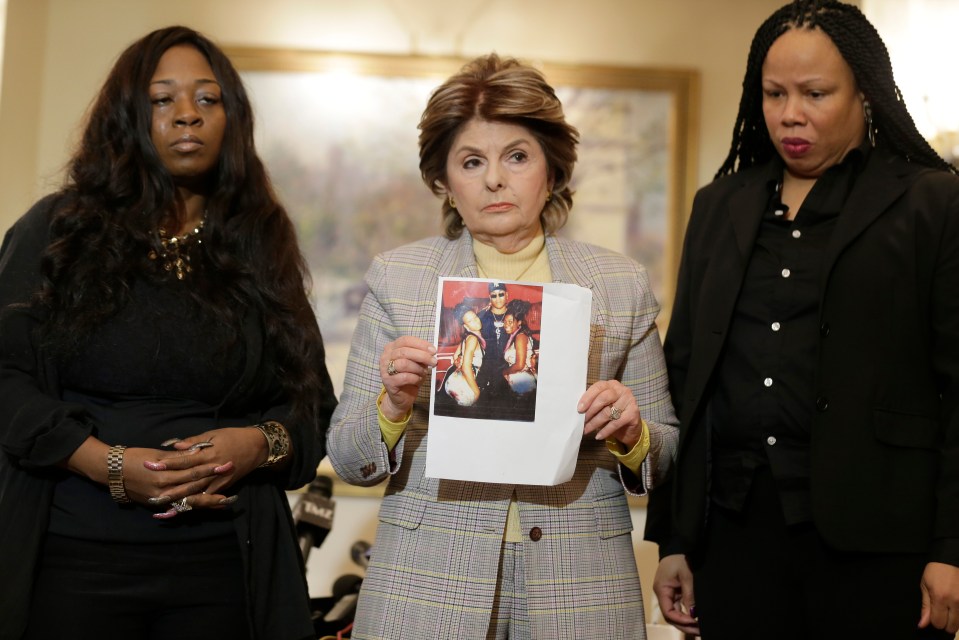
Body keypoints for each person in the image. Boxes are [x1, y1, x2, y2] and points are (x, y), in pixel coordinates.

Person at [0, 26, 337, 640]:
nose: (188, 115)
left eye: (209, 100)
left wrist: (258, 444)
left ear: (231, 118)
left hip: (223, 568)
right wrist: (106, 464)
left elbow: (312, 407)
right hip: (72, 560)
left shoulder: (259, 244)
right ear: (129, 116)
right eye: (163, 100)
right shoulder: (57, 230)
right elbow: (5, 379)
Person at [327, 53, 678, 639]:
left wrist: (631, 432)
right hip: (427, 575)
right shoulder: (400, 278)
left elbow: (664, 456)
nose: (495, 179)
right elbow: (347, 457)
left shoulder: (619, 284)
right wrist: (390, 407)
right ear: (443, 180)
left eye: (517, 156)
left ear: (553, 169)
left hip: (581, 578)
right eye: (472, 161)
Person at [644, 2, 959, 638]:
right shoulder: (719, 205)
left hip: (880, 538)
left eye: (816, 93)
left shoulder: (933, 201)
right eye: (774, 93)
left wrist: (951, 546)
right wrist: (675, 538)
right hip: (734, 534)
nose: (791, 113)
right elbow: (684, 375)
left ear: (865, 92)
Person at [442, 301, 486, 407]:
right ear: (466, 326)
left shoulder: (469, 336)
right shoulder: (473, 339)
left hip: (454, 380)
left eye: (475, 317)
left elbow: (455, 356)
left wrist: (458, 363)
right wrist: (477, 392)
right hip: (464, 386)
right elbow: (466, 367)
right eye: (471, 321)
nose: (476, 321)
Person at [475, 280, 512, 404]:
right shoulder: (481, 316)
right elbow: (469, 337)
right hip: (486, 367)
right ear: (489, 298)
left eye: (501, 294)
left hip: (509, 367)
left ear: (507, 295)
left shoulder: (515, 315)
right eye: (493, 295)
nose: (498, 299)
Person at [502, 299, 537, 395]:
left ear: (519, 322)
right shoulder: (515, 336)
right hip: (519, 379)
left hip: (523, 381)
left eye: (510, 321)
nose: (506, 325)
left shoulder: (520, 337)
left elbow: (520, 365)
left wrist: (504, 372)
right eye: (505, 321)